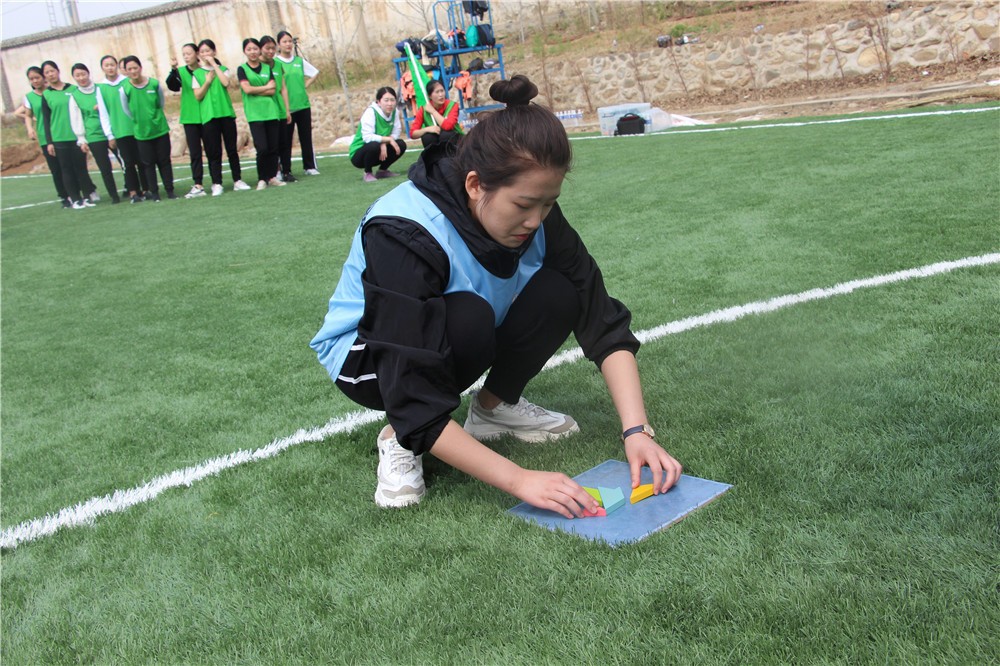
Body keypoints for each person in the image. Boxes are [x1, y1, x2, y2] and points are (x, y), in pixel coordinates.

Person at [310, 75, 682, 514]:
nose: (536, 219)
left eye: (547, 203)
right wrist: (520, 479)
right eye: (524, 205)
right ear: (474, 185)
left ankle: (492, 409)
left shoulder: (536, 211)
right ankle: (399, 435)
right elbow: (408, 378)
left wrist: (636, 430)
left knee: (562, 291)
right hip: (368, 358)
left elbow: (598, 315)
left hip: (461, 324)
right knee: (466, 318)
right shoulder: (404, 232)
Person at [194, 39, 251, 195]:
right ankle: (216, 183)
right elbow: (198, 95)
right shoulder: (197, 73)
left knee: (232, 149)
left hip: (226, 114)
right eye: (203, 52)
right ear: (199, 54)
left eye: (208, 51)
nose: (206, 54)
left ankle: (237, 180)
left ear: (214, 52)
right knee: (214, 152)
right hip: (209, 117)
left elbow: (226, 83)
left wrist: (214, 66)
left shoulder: (223, 69)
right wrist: (206, 82)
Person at [40, 60, 96, 209]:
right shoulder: (46, 95)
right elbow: (46, 119)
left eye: (52, 70)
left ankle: (86, 197)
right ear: (45, 76)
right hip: (59, 138)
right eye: (47, 73)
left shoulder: (74, 89)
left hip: (77, 136)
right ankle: (75, 199)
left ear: (58, 71)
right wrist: (49, 141)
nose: (50, 74)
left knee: (81, 168)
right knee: (66, 169)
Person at [119, 56, 175, 201]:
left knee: (164, 161)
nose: (133, 71)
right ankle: (155, 193)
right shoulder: (125, 89)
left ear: (140, 67)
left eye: (135, 68)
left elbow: (160, 103)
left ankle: (170, 191)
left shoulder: (154, 84)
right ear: (126, 71)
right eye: (129, 69)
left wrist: (154, 117)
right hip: (142, 133)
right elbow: (127, 110)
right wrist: (139, 119)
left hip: (160, 129)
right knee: (148, 164)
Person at [16, 66, 71, 208]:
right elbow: (27, 115)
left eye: (37, 77)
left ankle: (77, 192)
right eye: (31, 79)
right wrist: (30, 129)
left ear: (43, 77)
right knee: (56, 168)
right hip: (45, 137)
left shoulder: (52, 91)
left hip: (62, 133)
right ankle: (64, 196)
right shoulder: (29, 97)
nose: (35, 81)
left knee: (69, 165)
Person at [97, 55, 148, 203]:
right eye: (106, 65)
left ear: (118, 67)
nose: (110, 68)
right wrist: (109, 135)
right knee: (128, 163)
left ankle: (146, 189)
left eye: (112, 64)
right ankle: (133, 192)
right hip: (119, 131)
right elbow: (103, 113)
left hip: (136, 128)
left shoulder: (128, 82)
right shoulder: (101, 88)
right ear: (102, 68)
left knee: (142, 160)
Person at [68, 63, 120, 204]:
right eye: (77, 75)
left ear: (89, 73)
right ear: (74, 78)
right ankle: (114, 195)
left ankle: (131, 188)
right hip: (94, 136)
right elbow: (76, 119)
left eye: (83, 74)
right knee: (105, 168)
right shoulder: (75, 96)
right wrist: (81, 139)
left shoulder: (101, 88)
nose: (81, 77)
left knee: (124, 161)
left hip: (110, 131)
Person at [237, 37, 284, 190]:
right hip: (255, 114)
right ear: (245, 51)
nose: (253, 52)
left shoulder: (266, 68)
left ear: (259, 50)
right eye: (249, 49)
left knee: (273, 147)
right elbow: (247, 89)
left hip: (271, 111)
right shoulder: (242, 69)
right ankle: (262, 178)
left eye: (255, 49)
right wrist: (263, 88)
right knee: (262, 148)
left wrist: (256, 90)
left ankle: (272, 176)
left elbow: (273, 89)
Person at [275, 31, 320, 176]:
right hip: (287, 107)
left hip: (303, 104)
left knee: (305, 137)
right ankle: (285, 169)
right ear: (279, 44)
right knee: (286, 141)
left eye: (289, 41)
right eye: (284, 42)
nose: (288, 44)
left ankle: (309, 166)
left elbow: (314, 73)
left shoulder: (299, 61)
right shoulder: (276, 63)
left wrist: (305, 85)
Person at [166, 43, 207, 198]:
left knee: (211, 149)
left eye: (189, 53)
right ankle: (198, 184)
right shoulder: (181, 72)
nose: (186, 57)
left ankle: (217, 182)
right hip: (190, 117)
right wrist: (173, 69)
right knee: (195, 152)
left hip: (207, 114)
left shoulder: (205, 71)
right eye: (184, 54)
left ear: (197, 54)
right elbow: (173, 86)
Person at [349, 86, 407, 183]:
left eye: (392, 100)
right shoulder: (371, 112)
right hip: (359, 154)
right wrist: (387, 140)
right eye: (386, 100)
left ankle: (382, 171)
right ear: (378, 102)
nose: (390, 103)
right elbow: (367, 137)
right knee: (374, 145)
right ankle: (367, 172)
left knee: (401, 144)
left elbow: (397, 131)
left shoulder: (394, 112)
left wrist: (385, 142)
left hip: (379, 151)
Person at [260, 35, 294, 182]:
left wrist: (287, 109)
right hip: (266, 110)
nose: (270, 51)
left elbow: (283, 89)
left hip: (280, 108)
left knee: (284, 142)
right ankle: (274, 172)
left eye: (273, 48)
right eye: (267, 48)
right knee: (269, 145)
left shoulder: (278, 65)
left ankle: (287, 171)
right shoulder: (257, 66)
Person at [409, 78, 464, 149]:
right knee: (427, 137)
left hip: (454, 141)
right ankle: (434, 159)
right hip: (435, 142)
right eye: (437, 92)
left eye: (442, 91)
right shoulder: (423, 109)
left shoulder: (452, 105)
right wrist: (427, 129)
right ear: (429, 96)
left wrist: (433, 111)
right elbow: (413, 134)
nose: (441, 95)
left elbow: (448, 126)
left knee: (445, 135)